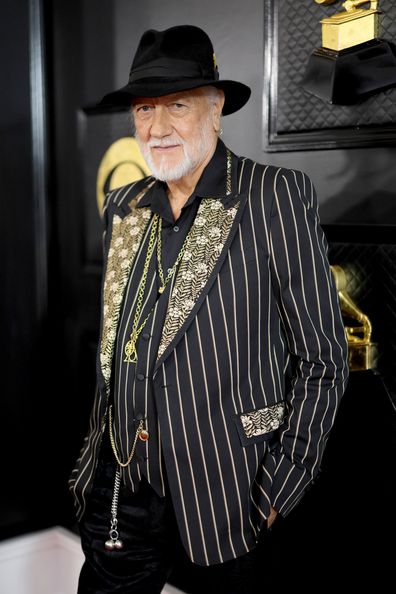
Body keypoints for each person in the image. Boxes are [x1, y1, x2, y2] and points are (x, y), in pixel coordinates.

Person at [69, 24, 349, 594]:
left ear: (216, 108)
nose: (158, 127)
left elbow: (323, 359)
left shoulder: (275, 196)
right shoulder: (123, 204)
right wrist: (100, 470)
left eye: (177, 104)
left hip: (233, 490)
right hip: (126, 489)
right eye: (146, 108)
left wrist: (278, 489)